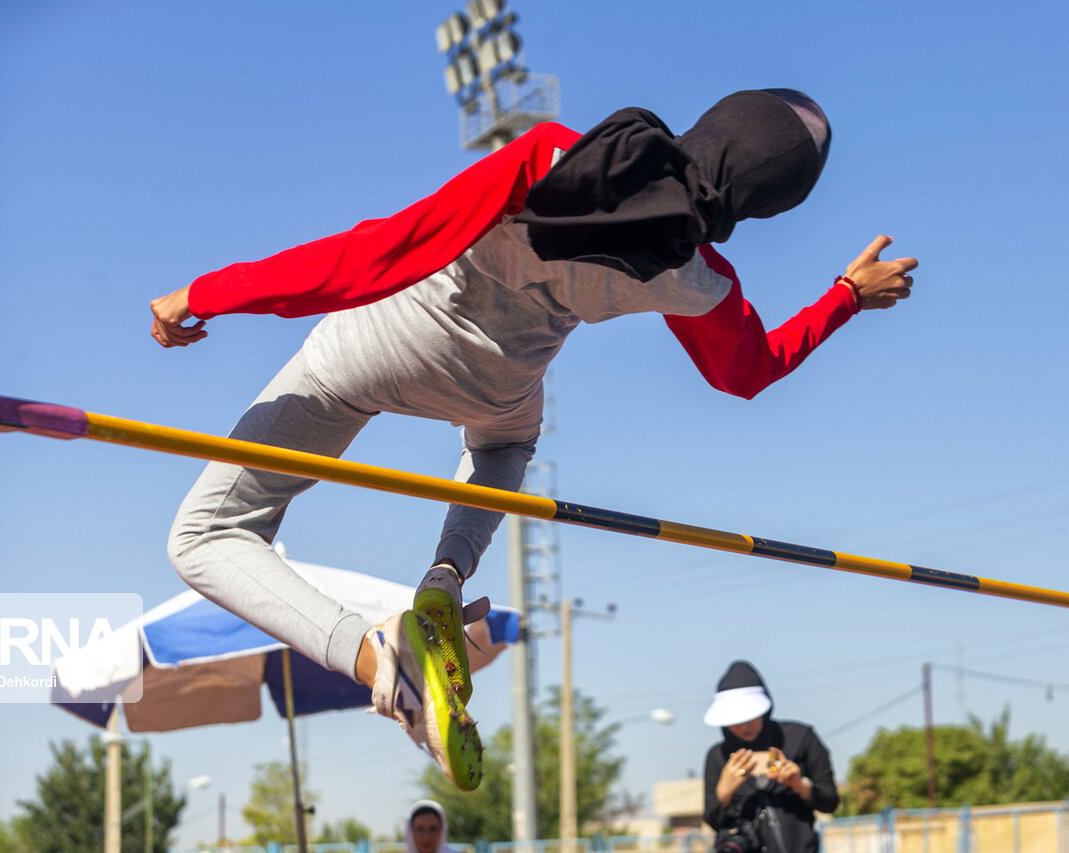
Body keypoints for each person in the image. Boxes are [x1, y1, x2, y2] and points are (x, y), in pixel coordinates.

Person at [148, 89, 918, 792]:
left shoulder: (557, 155)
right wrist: (846, 296)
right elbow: (749, 372)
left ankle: (374, 654)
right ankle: (441, 583)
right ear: (766, 204)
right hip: (499, 385)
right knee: (503, 449)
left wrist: (210, 291)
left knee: (206, 536)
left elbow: (378, 252)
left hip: (371, 350)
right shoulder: (700, 275)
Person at [703, 660, 839, 853]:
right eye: (735, 719)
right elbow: (712, 820)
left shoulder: (801, 738)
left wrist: (801, 786)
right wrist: (723, 795)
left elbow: (830, 802)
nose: (744, 725)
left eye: (750, 715)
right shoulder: (718, 756)